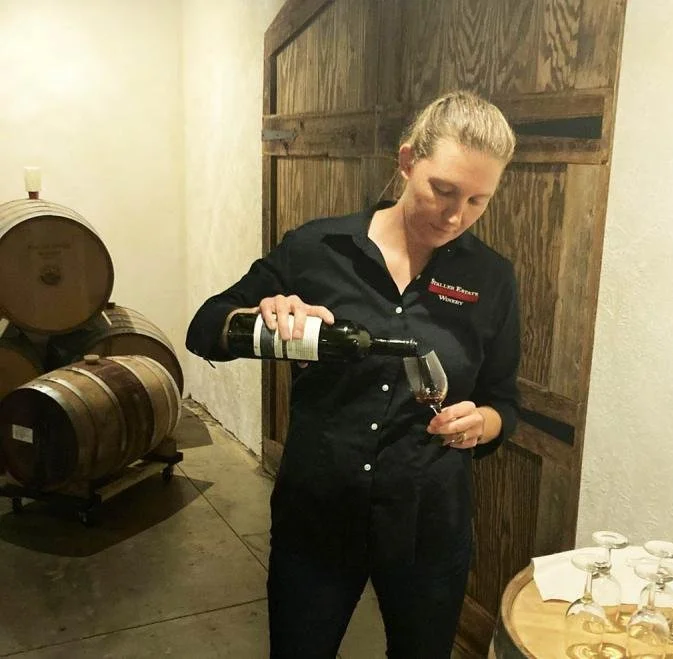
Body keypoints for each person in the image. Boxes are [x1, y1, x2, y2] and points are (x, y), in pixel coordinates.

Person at [186, 90, 520, 659]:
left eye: (477, 200)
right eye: (442, 189)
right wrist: (258, 316)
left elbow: (503, 401)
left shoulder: (491, 276)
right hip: (318, 512)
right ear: (408, 159)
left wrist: (481, 423)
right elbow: (204, 328)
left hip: (427, 522)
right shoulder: (319, 249)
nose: (455, 215)